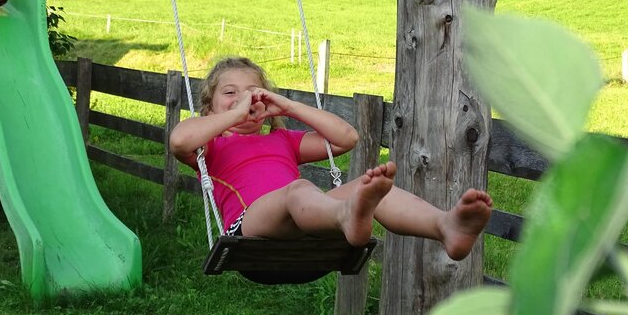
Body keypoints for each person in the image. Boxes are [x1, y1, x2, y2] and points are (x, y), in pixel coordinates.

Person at [169, 57, 492, 260]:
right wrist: (234, 114)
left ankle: (445, 226)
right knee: (298, 189)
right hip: (250, 226)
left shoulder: (282, 140)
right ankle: (346, 214)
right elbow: (179, 140)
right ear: (209, 107)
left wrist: (289, 107)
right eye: (230, 93)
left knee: (370, 189)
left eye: (252, 92)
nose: (243, 98)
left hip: (309, 216)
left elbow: (347, 137)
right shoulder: (209, 147)